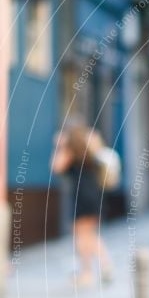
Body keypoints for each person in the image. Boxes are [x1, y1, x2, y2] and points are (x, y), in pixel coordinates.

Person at [51, 123, 114, 287]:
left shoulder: (70, 151)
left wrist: (60, 146)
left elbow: (56, 167)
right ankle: (104, 265)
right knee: (89, 234)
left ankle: (88, 273)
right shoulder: (89, 150)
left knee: (81, 236)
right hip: (94, 195)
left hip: (82, 197)